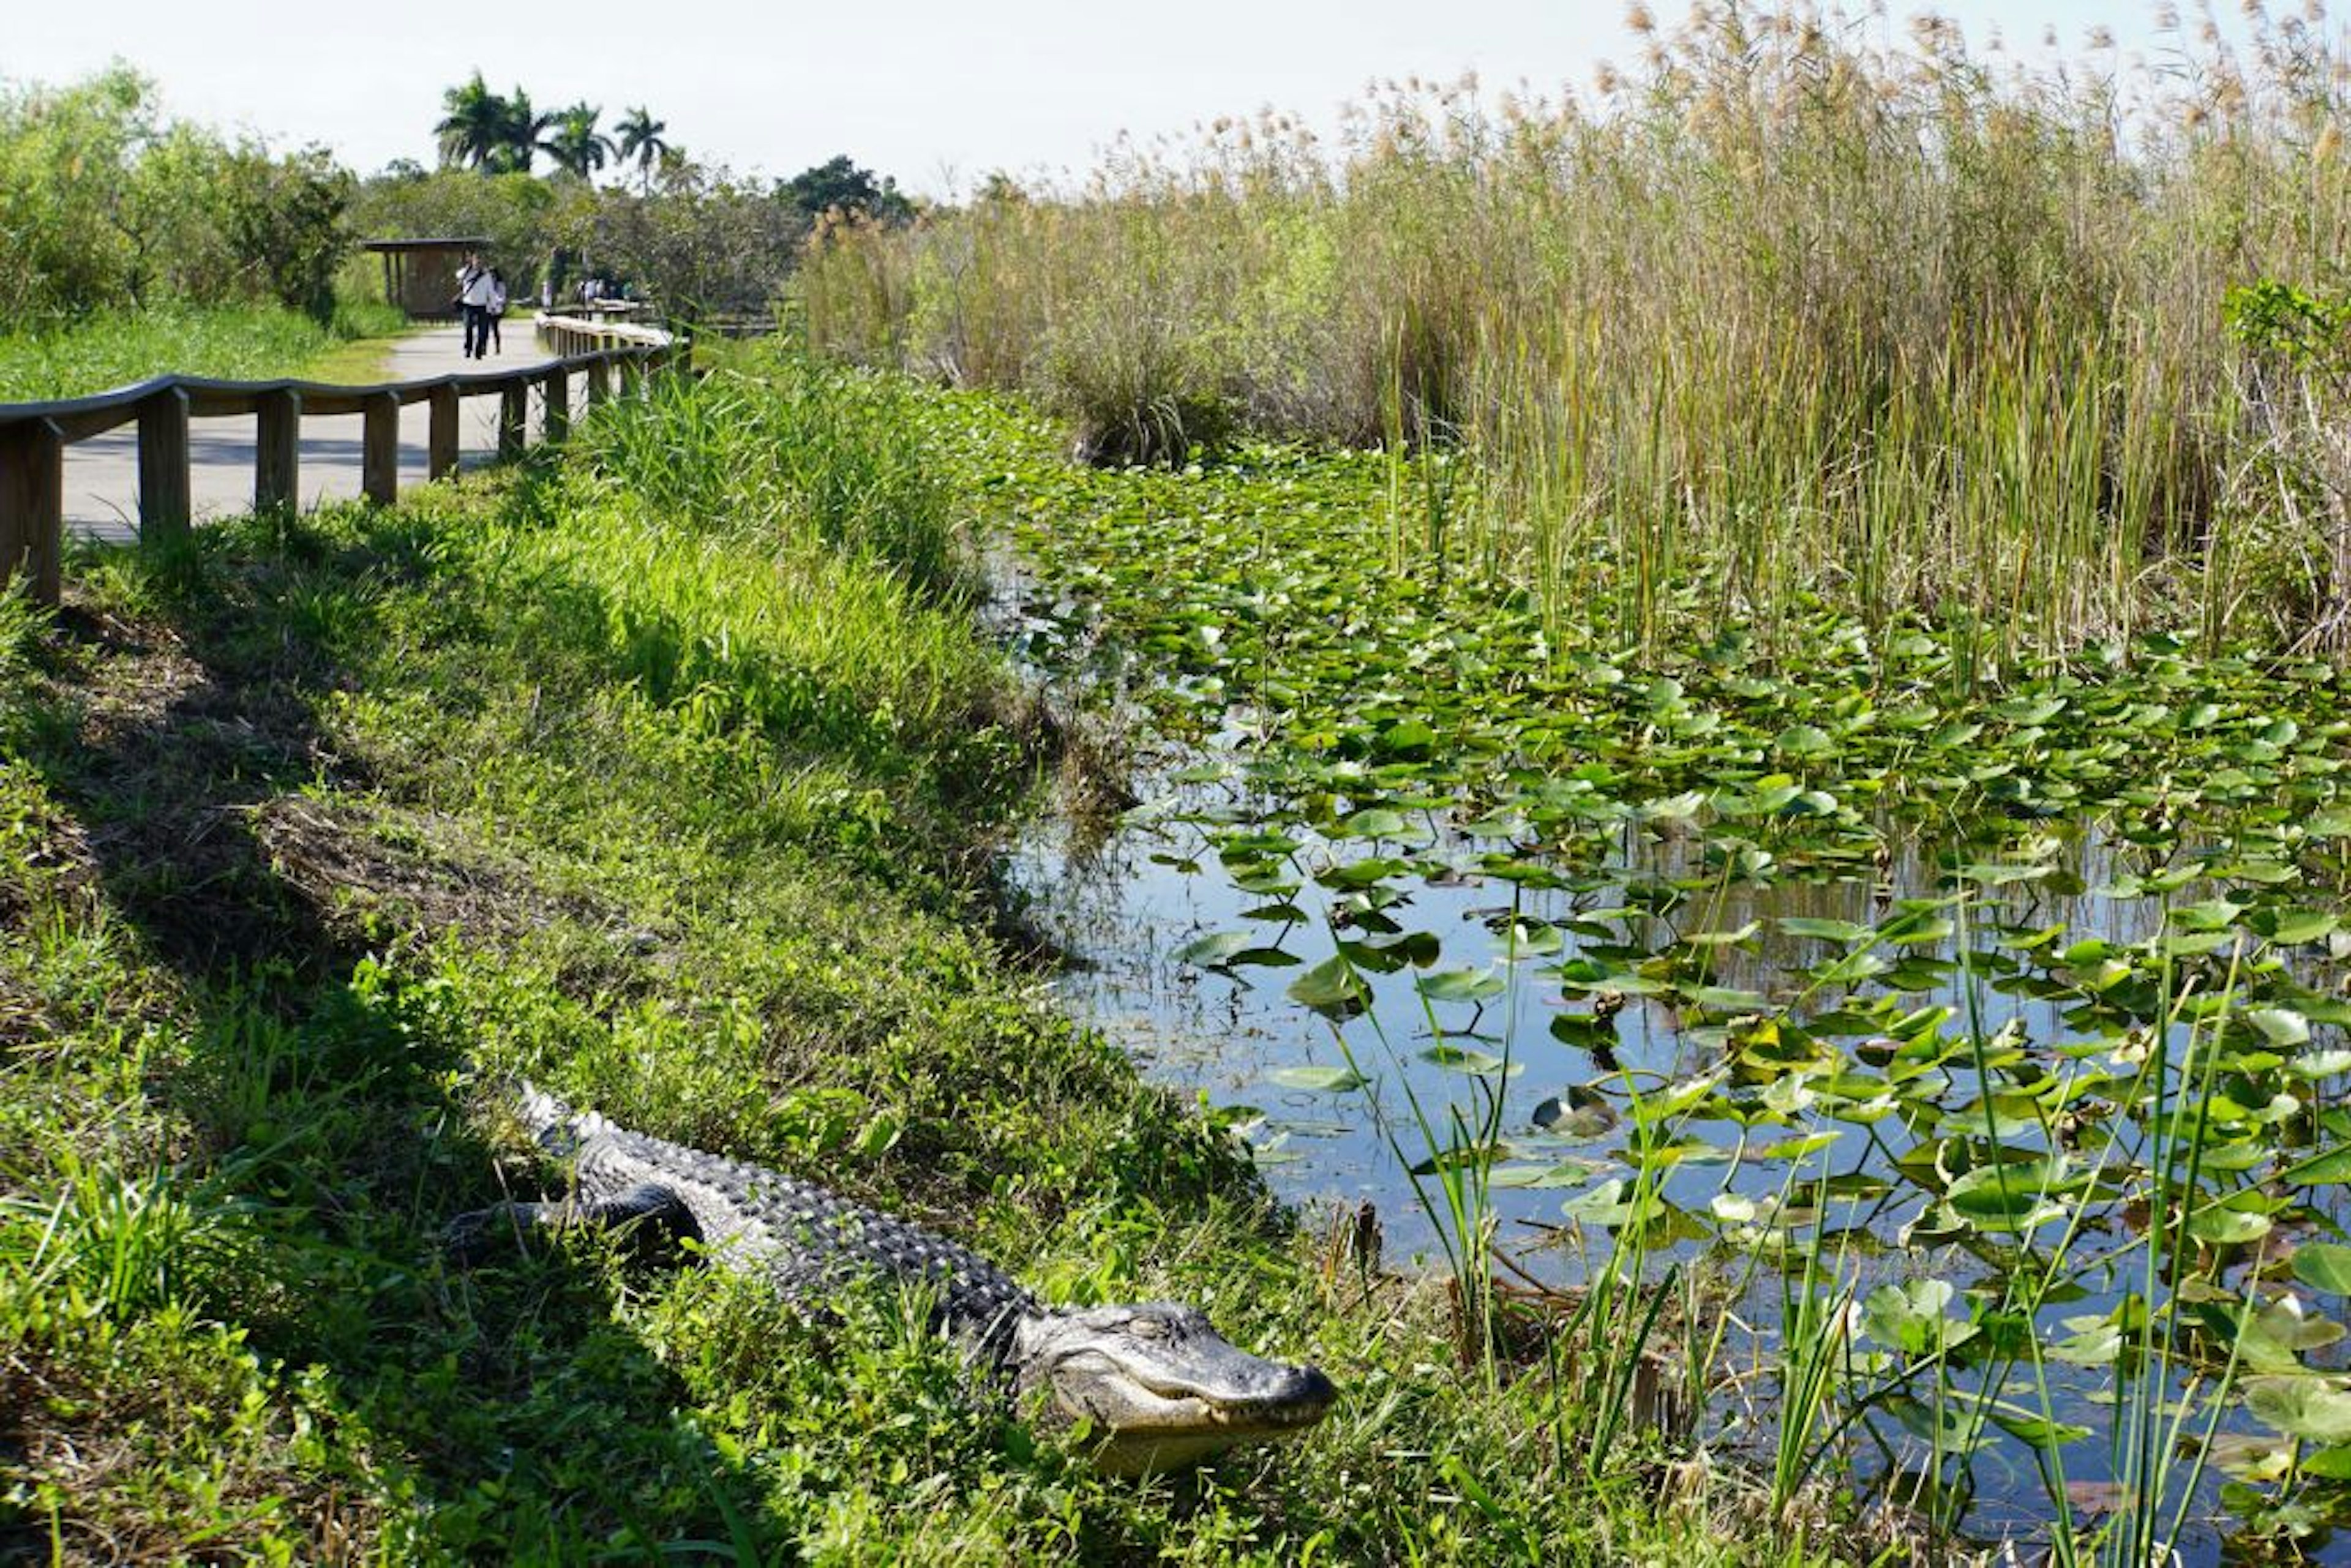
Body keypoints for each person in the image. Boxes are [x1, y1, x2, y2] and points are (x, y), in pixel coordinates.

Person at [456, 256, 498, 359]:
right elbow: (458, 275)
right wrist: (468, 268)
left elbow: (491, 292)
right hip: (468, 305)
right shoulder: (467, 273)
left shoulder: (486, 275)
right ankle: (468, 348)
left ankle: (479, 350)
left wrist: (493, 306)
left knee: (483, 330)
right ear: (473, 262)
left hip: (482, 305)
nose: (478, 264)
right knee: (468, 327)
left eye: (480, 262)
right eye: (476, 262)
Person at [486, 268, 509, 355]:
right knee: (485, 330)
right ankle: (484, 347)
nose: (492, 277)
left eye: (493, 275)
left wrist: (495, 302)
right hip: (487, 309)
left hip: (496, 310)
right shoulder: (486, 284)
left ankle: (497, 348)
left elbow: (502, 298)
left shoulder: (500, 285)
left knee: (495, 329)